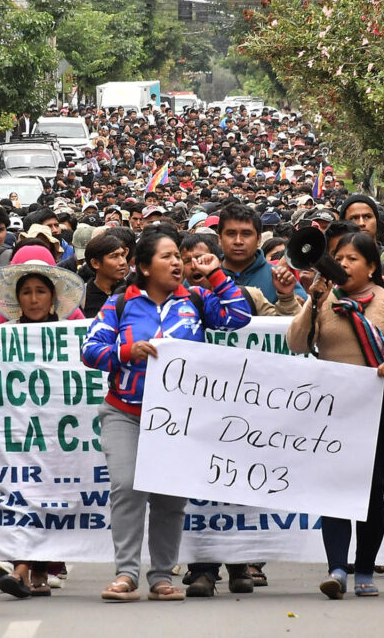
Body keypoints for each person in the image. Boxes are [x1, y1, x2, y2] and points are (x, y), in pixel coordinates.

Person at [82, 228, 251, 603]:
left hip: (180, 419)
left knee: (170, 499)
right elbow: (91, 350)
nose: (178, 263)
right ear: (143, 266)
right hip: (124, 413)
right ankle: (126, 574)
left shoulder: (196, 298)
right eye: (167, 257)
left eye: (180, 256)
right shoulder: (120, 303)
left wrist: (216, 273)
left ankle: (161, 577)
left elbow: (239, 316)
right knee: (127, 486)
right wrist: (127, 351)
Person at [287, 232, 384, 599]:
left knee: (371, 494)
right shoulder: (324, 299)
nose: (344, 264)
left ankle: (365, 568)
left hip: (378, 408)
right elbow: (297, 343)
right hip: (334, 412)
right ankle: (337, 569)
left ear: (370, 266)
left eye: (352, 258)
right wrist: (312, 302)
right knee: (333, 492)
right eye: (339, 257)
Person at [0, 246, 86, 600]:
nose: (33, 298)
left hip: (60, 434)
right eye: (26, 291)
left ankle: (34, 570)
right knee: (22, 496)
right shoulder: (1, 335)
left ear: (53, 297)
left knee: (54, 497)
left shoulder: (73, 337)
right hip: (16, 433)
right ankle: (23, 568)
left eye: (40, 291)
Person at [82, 232, 129, 318]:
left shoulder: (134, 292)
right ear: (95, 263)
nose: (122, 262)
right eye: (114, 256)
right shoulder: (82, 296)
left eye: (123, 255)